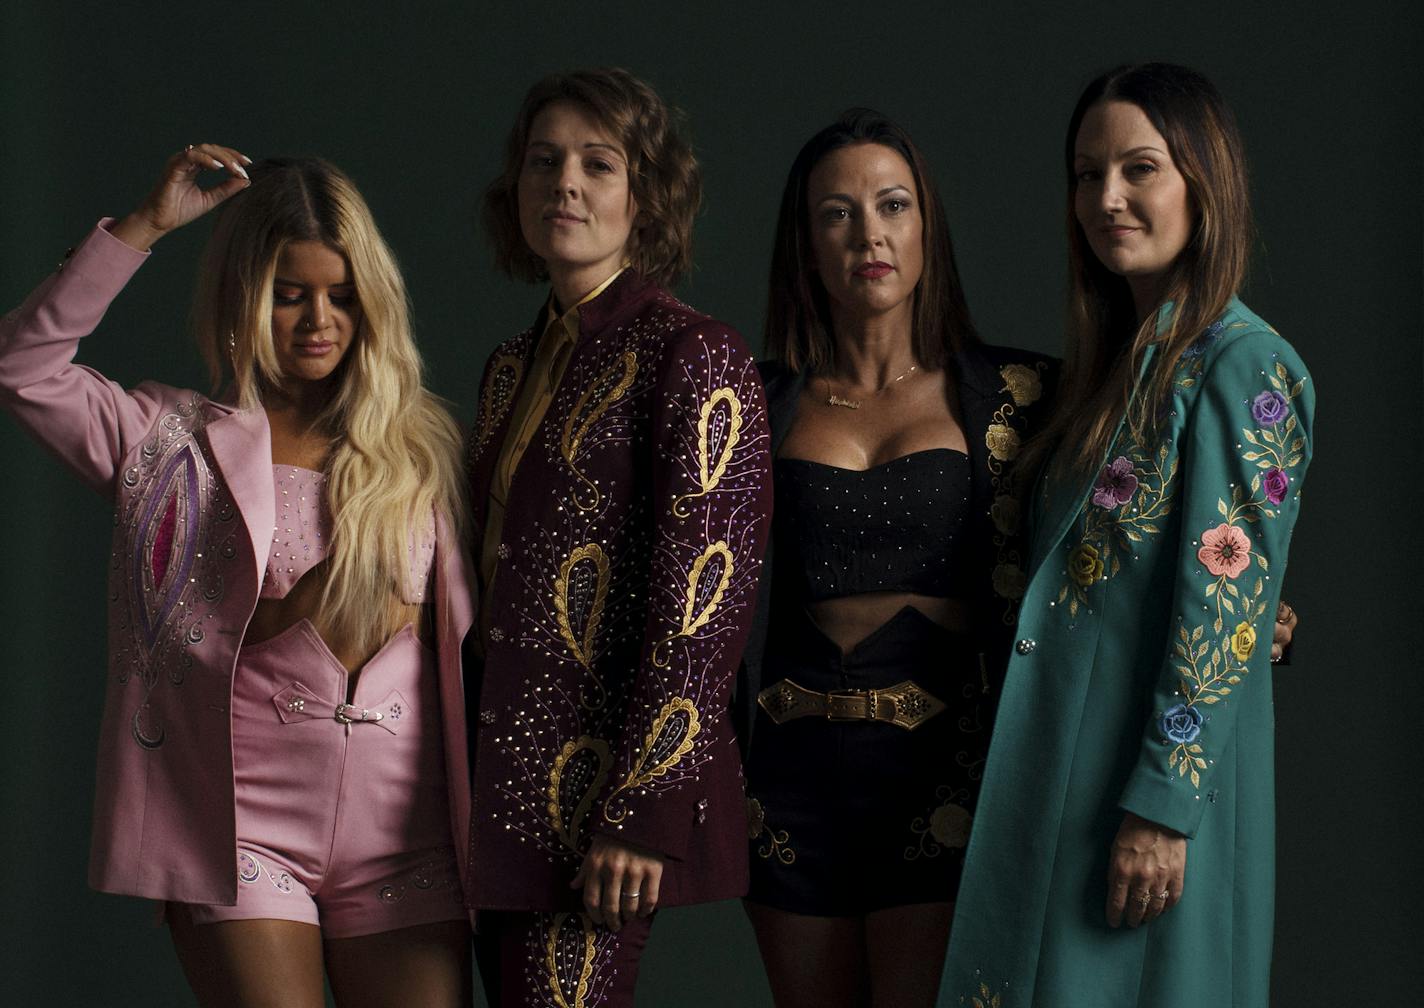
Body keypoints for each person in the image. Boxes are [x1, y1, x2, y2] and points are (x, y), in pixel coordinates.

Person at [0, 149, 476, 1006]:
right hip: (241, 832)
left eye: (340, 295)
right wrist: (144, 226)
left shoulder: (427, 448)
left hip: (413, 838)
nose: (318, 320)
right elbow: (23, 367)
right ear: (246, 298)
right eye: (290, 294)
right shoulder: (170, 441)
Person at [938, 63, 1314, 1007]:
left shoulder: (1245, 365)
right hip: (1064, 766)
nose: (1106, 199)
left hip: (1147, 795)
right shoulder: (1119, 367)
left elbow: (1224, 592)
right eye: (1085, 173)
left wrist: (1162, 806)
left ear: (1203, 180)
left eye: (1138, 169)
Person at [464, 68, 772, 1006]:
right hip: (488, 791)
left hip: (596, 797)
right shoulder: (510, 367)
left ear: (645, 197)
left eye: (598, 164)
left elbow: (705, 603)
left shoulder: (695, 352)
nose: (565, 184)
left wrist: (644, 811)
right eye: (543, 162)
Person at [739, 109, 1057, 1008]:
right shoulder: (751, 402)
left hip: (945, 769)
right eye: (837, 213)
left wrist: (1238, 595)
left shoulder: (1023, 395)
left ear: (926, 229)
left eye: (892, 205)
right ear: (805, 243)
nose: (868, 234)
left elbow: (1121, 519)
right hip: (791, 774)